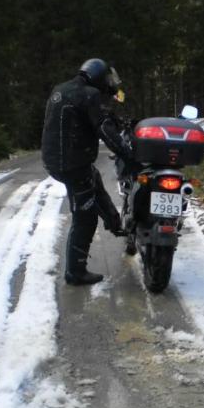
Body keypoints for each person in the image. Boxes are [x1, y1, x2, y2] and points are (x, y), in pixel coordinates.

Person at [41, 58, 138, 286]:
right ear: (98, 77)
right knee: (85, 217)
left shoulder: (62, 89)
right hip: (72, 165)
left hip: (58, 161)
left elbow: (84, 117)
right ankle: (75, 272)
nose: (109, 84)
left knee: (93, 179)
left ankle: (115, 223)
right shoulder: (89, 94)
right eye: (106, 79)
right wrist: (129, 156)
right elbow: (105, 130)